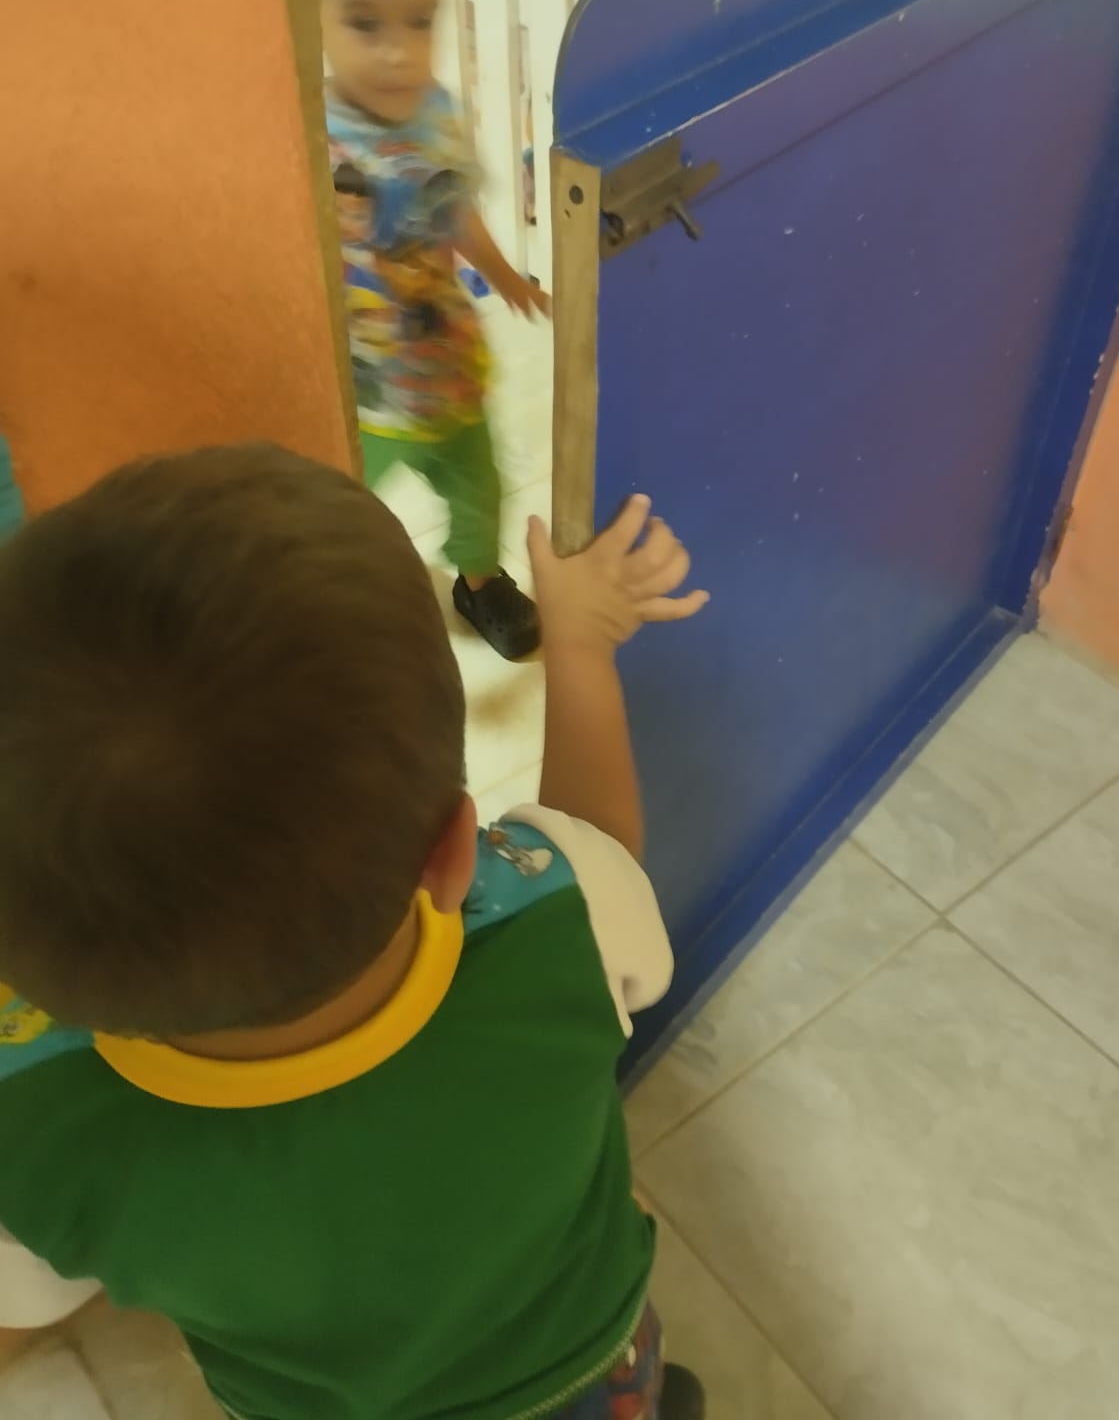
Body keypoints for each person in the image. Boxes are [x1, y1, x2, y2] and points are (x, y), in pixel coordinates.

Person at [0, 443, 709, 1420]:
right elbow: (601, 850)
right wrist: (581, 647)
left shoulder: (33, 1130)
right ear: (454, 851)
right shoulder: (558, 923)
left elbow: (25, 1297)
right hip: (594, 1369)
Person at [315, 0, 546, 662]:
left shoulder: (436, 114)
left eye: (421, 20)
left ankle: (479, 580)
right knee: (336, 514)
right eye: (365, 23)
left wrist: (507, 274)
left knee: (480, 488)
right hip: (359, 393)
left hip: (444, 370)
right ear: (307, 13)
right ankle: (334, 595)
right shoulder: (304, 134)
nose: (400, 52)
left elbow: (454, 212)